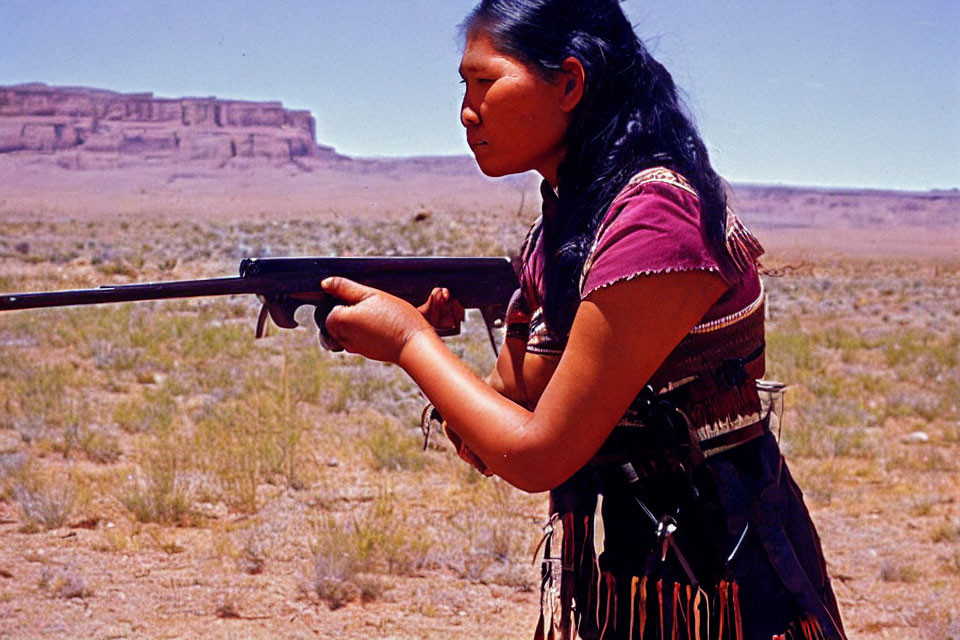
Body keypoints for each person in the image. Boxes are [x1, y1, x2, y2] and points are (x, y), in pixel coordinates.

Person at [320, 1, 847, 638]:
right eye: (464, 85)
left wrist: (409, 341)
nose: (467, 110)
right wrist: (425, 344)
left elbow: (539, 454)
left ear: (570, 83)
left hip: (730, 581)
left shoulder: (657, 216)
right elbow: (499, 427)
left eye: (487, 82)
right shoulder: (563, 231)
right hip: (641, 572)